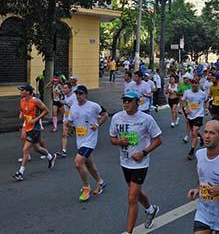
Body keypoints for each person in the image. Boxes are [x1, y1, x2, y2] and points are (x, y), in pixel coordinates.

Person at [109, 91, 162, 233]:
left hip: (140, 164)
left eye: (129, 100)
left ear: (137, 102)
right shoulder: (117, 118)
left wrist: (143, 153)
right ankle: (151, 209)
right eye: (124, 100)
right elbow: (112, 138)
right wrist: (120, 141)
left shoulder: (146, 119)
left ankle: (129, 231)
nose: (126, 103)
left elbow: (158, 140)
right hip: (124, 162)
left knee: (132, 198)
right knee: (136, 194)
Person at [67, 85, 108, 202]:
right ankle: (100, 182)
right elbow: (70, 121)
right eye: (77, 94)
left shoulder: (93, 106)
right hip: (80, 139)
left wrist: (98, 124)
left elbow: (105, 114)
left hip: (90, 140)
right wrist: (68, 128)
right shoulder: (74, 107)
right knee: (89, 164)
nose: (78, 96)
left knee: (78, 162)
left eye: (81, 94)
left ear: (86, 94)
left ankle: (86, 187)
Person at [12, 84, 56, 181]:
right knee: (37, 148)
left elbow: (46, 111)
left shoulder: (35, 101)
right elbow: (23, 110)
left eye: (22, 90)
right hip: (27, 126)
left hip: (35, 127)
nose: (20, 92)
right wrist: (21, 115)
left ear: (28, 92)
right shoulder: (22, 101)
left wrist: (36, 119)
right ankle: (50, 156)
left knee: (25, 149)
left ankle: (20, 172)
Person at [181, 78, 208, 161]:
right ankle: (202, 138)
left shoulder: (202, 94)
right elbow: (183, 101)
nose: (194, 85)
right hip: (190, 115)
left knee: (194, 132)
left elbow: (207, 100)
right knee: (194, 131)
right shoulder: (187, 92)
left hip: (199, 115)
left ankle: (191, 152)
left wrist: (206, 108)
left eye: (196, 83)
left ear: (198, 84)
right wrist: (185, 108)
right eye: (193, 83)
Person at [57, 82, 77, 157]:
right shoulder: (64, 96)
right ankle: (63, 151)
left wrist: (65, 103)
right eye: (63, 88)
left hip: (75, 118)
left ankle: (84, 146)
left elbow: (74, 107)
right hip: (66, 117)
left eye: (65, 88)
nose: (63, 90)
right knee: (64, 134)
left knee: (80, 134)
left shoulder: (74, 96)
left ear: (70, 89)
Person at [178, 72, 194, 143]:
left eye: (185, 78)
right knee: (188, 121)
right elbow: (179, 94)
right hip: (186, 106)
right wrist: (181, 107)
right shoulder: (182, 85)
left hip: (193, 106)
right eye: (183, 78)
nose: (184, 79)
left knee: (190, 121)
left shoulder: (193, 85)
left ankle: (193, 134)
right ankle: (188, 135)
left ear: (189, 79)